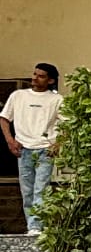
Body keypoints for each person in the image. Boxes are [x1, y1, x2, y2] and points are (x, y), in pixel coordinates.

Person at [1, 63, 61, 235]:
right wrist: (10, 141)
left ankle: (36, 226)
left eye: (41, 76)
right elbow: (4, 118)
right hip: (23, 148)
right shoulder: (18, 95)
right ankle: (33, 226)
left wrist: (57, 144)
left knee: (40, 188)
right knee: (27, 190)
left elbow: (67, 124)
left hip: (45, 148)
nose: (35, 78)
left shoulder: (57, 99)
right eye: (34, 74)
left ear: (50, 80)